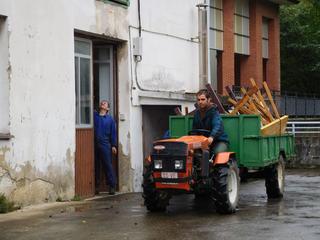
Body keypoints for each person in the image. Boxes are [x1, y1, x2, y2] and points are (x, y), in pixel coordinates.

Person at [192, 89, 229, 155]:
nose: (200, 102)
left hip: (218, 141)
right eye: (198, 100)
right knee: (192, 152)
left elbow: (217, 126)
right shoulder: (196, 114)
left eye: (203, 99)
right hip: (203, 142)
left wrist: (212, 136)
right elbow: (194, 129)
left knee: (217, 153)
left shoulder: (214, 112)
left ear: (208, 100)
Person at [94, 100, 117, 195]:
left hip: (105, 144)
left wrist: (113, 145)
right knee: (95, 166)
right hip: (95, 144)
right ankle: (96, 186)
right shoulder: (94, 117)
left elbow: (113, 133)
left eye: (105, 103)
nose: (103, 103)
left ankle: (112, 186)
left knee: (107, 165)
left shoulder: (110, 120)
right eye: (102, 102)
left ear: (107, 108)